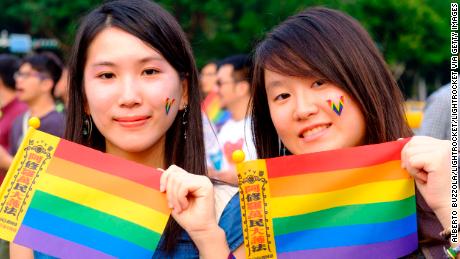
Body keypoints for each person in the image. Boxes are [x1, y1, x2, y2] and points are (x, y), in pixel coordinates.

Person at [9, 0, 243, 258]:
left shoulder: (226, 214)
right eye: (107, 75)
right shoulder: (39, 205)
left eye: (150, 71)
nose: (129, 96)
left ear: (184, 91)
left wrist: (209, 239)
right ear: (84, 96)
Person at [250, 7, 454, 258]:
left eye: (319, 82)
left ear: (362, 79)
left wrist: (449, 208)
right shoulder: (258, 220)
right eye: (282, 96)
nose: (302, 109)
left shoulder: (442, 181)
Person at [207, 54, 256, 184]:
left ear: (241, 88)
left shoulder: (263, 127)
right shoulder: (223, 128)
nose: (214, 90)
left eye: (220, 83)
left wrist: (241, 176)